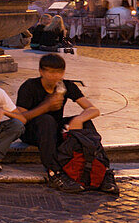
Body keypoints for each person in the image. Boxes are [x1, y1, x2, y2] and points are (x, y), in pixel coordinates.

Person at [16, 53, 114, 193]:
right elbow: (19, 118)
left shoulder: (65, 85)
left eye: (58, 72)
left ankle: (102, 169)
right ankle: (54, 173)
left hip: (54, 129)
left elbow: (93, 109)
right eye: (49, 72)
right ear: (41, 72)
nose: (54, 76)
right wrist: (46, 106)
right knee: (46, 119)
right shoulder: (30, 86)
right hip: (32, 130)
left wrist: (79, 119)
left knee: (86, 122)